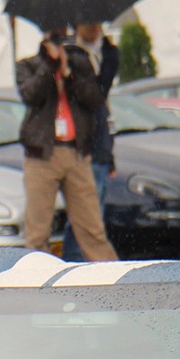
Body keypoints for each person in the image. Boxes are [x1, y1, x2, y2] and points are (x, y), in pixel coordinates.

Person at [15, 32, 119, 261]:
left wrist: (69, 73)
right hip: (42, 157)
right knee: (37, 233)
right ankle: (38, 278)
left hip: (76, 154)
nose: (57, 45)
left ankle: (111, 275)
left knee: (92, 230)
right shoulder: (28, 66)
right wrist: (49, 67)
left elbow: (94, 98)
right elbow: (31, 95)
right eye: (52, 40)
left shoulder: (80, 65)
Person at [62, 23, 120, 261]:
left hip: (100, 146)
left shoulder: (102, 54)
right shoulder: (72, 56)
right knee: (84, 219)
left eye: (98, 23)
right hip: (85, 147)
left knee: (95, 218)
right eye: (89, 23)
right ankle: (75, 264)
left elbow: (102, 103)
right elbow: (94, 97)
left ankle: (84, 263)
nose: (95, 28)